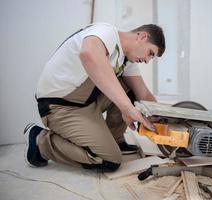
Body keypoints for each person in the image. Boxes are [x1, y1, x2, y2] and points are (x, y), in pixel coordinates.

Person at [24, 22, 165, 172]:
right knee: (109, 160)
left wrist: (165, 121)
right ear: (142, 36)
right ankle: (40, 141)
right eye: (150, 53)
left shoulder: (127, 59)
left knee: (132, 91)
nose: (147, 60)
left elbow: (143, 94)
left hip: (86, 102)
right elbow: (88, 54)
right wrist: (126, 107)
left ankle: (114, 140)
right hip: (60, 106)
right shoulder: (106, 32)